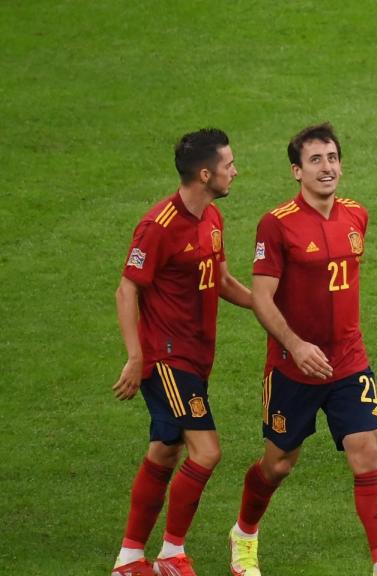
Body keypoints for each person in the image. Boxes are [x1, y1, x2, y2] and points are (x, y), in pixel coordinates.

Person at [227, 123, 377, 576]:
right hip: (292, 369)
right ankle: (244, 534)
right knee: (279, 464)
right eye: (315, 160)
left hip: (349, 361)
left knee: (365, 449)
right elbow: (262, 297)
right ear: (296, 171)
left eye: (332, 158)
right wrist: (295, 344)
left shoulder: (356, 215)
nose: (327, 168)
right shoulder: (277, 224)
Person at [111, 128, 252, 576]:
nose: (235, 171)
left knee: (164, 451)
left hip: (196, 355)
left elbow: (224, 281)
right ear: (205, 173)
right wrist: (136, 357)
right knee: (206, 452)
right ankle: (172, 555)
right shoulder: (159, 226)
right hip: (168, 359)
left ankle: (130, 558)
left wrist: (267, 305)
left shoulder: (211, 217)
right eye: (229, 165)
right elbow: (126, 291)